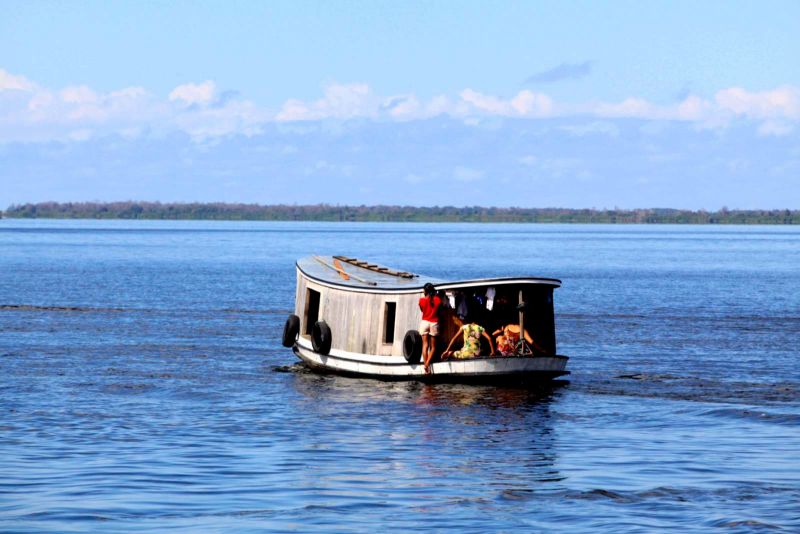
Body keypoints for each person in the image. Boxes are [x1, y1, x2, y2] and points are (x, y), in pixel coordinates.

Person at [418, 283, 441, 374]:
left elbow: (422, 310)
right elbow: (439, 311)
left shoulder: (421, 300)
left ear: (425, 291)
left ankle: (426, 366)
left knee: (425, 346)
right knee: (433, 347)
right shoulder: (438, 300)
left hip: (424, 322)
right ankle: (427, 365)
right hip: (434, 322)